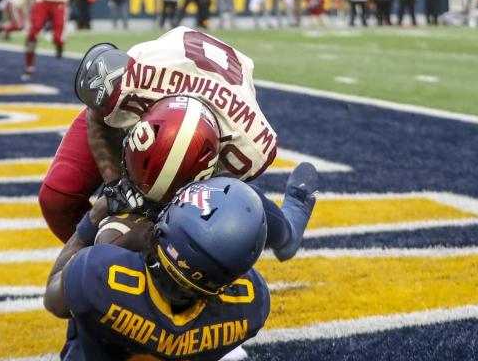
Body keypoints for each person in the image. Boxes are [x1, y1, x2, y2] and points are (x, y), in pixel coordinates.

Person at [42, 28, 317, 267]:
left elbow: (229, 202)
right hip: (156, 93)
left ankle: (288, 233)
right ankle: (93, 272)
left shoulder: (249, 147)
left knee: (211, 223)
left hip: (217, 124)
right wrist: (116, 184)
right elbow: (97, 115)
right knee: (57, 197)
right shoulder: (129, 84)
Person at [43, 178, 272, 361]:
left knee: (113, 227)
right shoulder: (254, 305)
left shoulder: (96, 274)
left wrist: (95, 216)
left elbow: (52, 299)